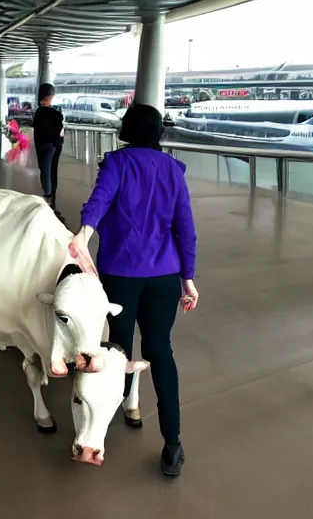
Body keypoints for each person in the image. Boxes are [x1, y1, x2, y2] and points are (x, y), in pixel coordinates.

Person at [68, 103, 198, 477]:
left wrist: (84, 234)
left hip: (120, 274)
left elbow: (99, 201)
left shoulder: (117, 164)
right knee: (160, 350)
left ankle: (116, 415)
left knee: (117, 348)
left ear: (128, 130)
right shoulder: (173, 171)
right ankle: (173, 446)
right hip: (163, 277)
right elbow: (185, 230)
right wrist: (188, 278)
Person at [32, 83, 64, 214]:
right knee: (53, 171)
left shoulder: (40, 113)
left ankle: (48, 196)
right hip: (57, 145)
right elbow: (60, 130)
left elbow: (37, 130)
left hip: (45, 146)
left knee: (45, 170)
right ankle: (52, 196)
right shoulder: (56, 113)